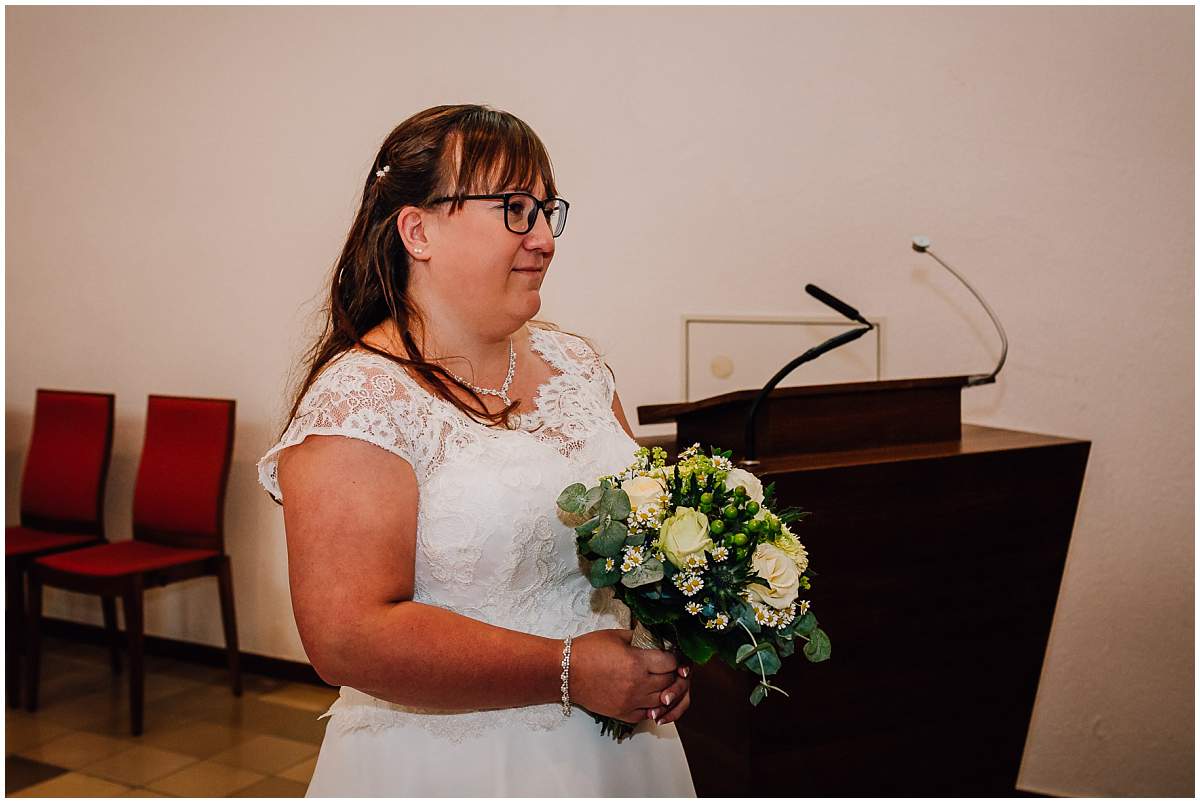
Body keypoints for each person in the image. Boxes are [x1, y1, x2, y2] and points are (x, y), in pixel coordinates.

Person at [256, 105, 696, 796]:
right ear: (418, 228)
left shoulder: (577, 366)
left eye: (548, 209)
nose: (545, 237)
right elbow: (348, 635)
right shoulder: (362, 401)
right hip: (449, 764)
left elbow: (643, 544)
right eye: (515, 209)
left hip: (621, 754)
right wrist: (570, 669)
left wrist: (659, 657)